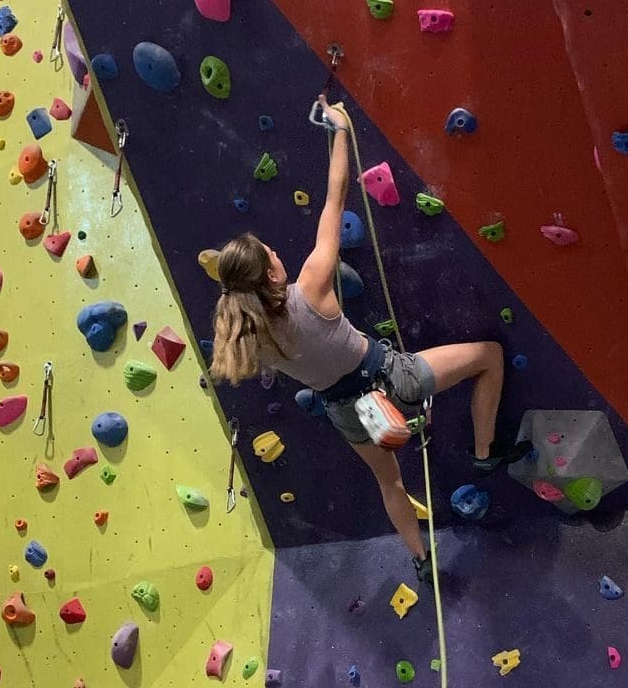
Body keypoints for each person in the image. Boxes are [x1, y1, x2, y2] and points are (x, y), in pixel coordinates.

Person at [209, 95, 530, 584]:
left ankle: (420, 561)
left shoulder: (252, 337)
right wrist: (340, 129)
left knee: (390, 482)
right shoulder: (313, 282)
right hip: (390, 378)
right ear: (270, 272)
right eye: (270, 253)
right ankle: (484, 453)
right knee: (490, 356)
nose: (276, 251)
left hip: (347, 413)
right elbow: (336, 197)